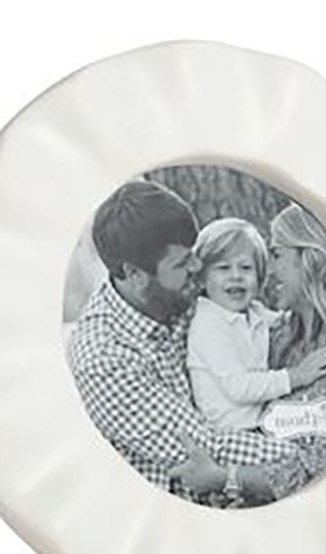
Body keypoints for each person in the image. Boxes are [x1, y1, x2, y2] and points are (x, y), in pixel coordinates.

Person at [65, 181, 299, 504]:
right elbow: (208, 447)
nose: (198, 267)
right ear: (135, 274)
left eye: (193, 253)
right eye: (181, 263)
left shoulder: (176, 295)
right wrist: (308, 457)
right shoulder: (104, 359)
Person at [173, 203, 326, 501]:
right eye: (224, 268)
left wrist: (225, 479)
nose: (268, 271)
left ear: (311, 259)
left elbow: (325, 469)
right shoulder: (275, 335)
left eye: (276, 255)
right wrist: (295, 376)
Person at [187, 217, 326, 430]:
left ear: (260, 276)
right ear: (201, 278)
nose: (236, 276)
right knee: (290, 447)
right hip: (231, 432)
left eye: (246, 267)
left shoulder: (253, 312)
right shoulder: (208, 326)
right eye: (223, 268)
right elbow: (239, 388)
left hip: (259, 424)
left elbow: (282, 321)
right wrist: (295, 376)